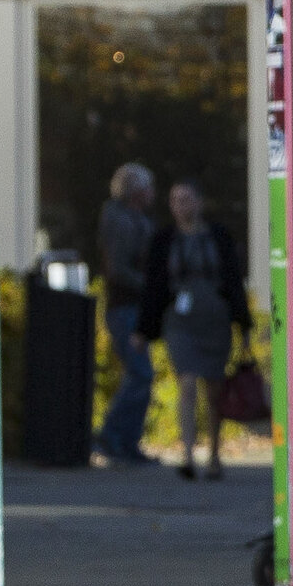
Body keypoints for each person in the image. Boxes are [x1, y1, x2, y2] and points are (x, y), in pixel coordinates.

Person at [138, 179, 252, 479]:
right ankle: (187, 454)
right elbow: (154, 287)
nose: (181, 206)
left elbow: (234, 282)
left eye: (187, 199)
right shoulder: (164, 240)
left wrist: (245, 325)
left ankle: (214, 454)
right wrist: (143, 329)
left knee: (214, 389)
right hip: (179, 319)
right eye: (175, 200)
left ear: (199, 203)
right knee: (186, 383)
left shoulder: (218, 237)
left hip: (214, 317)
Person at [96, 163, 165, 467]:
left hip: (132, 306)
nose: (153, 193)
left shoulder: (134, 219)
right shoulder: (121, 221)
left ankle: (125, 443)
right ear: (137, 191)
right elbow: (118, 269)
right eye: (148, 186)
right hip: (125, 307)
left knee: (140, 373)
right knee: (140, 373)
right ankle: (112, 437)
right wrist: (149, 288)